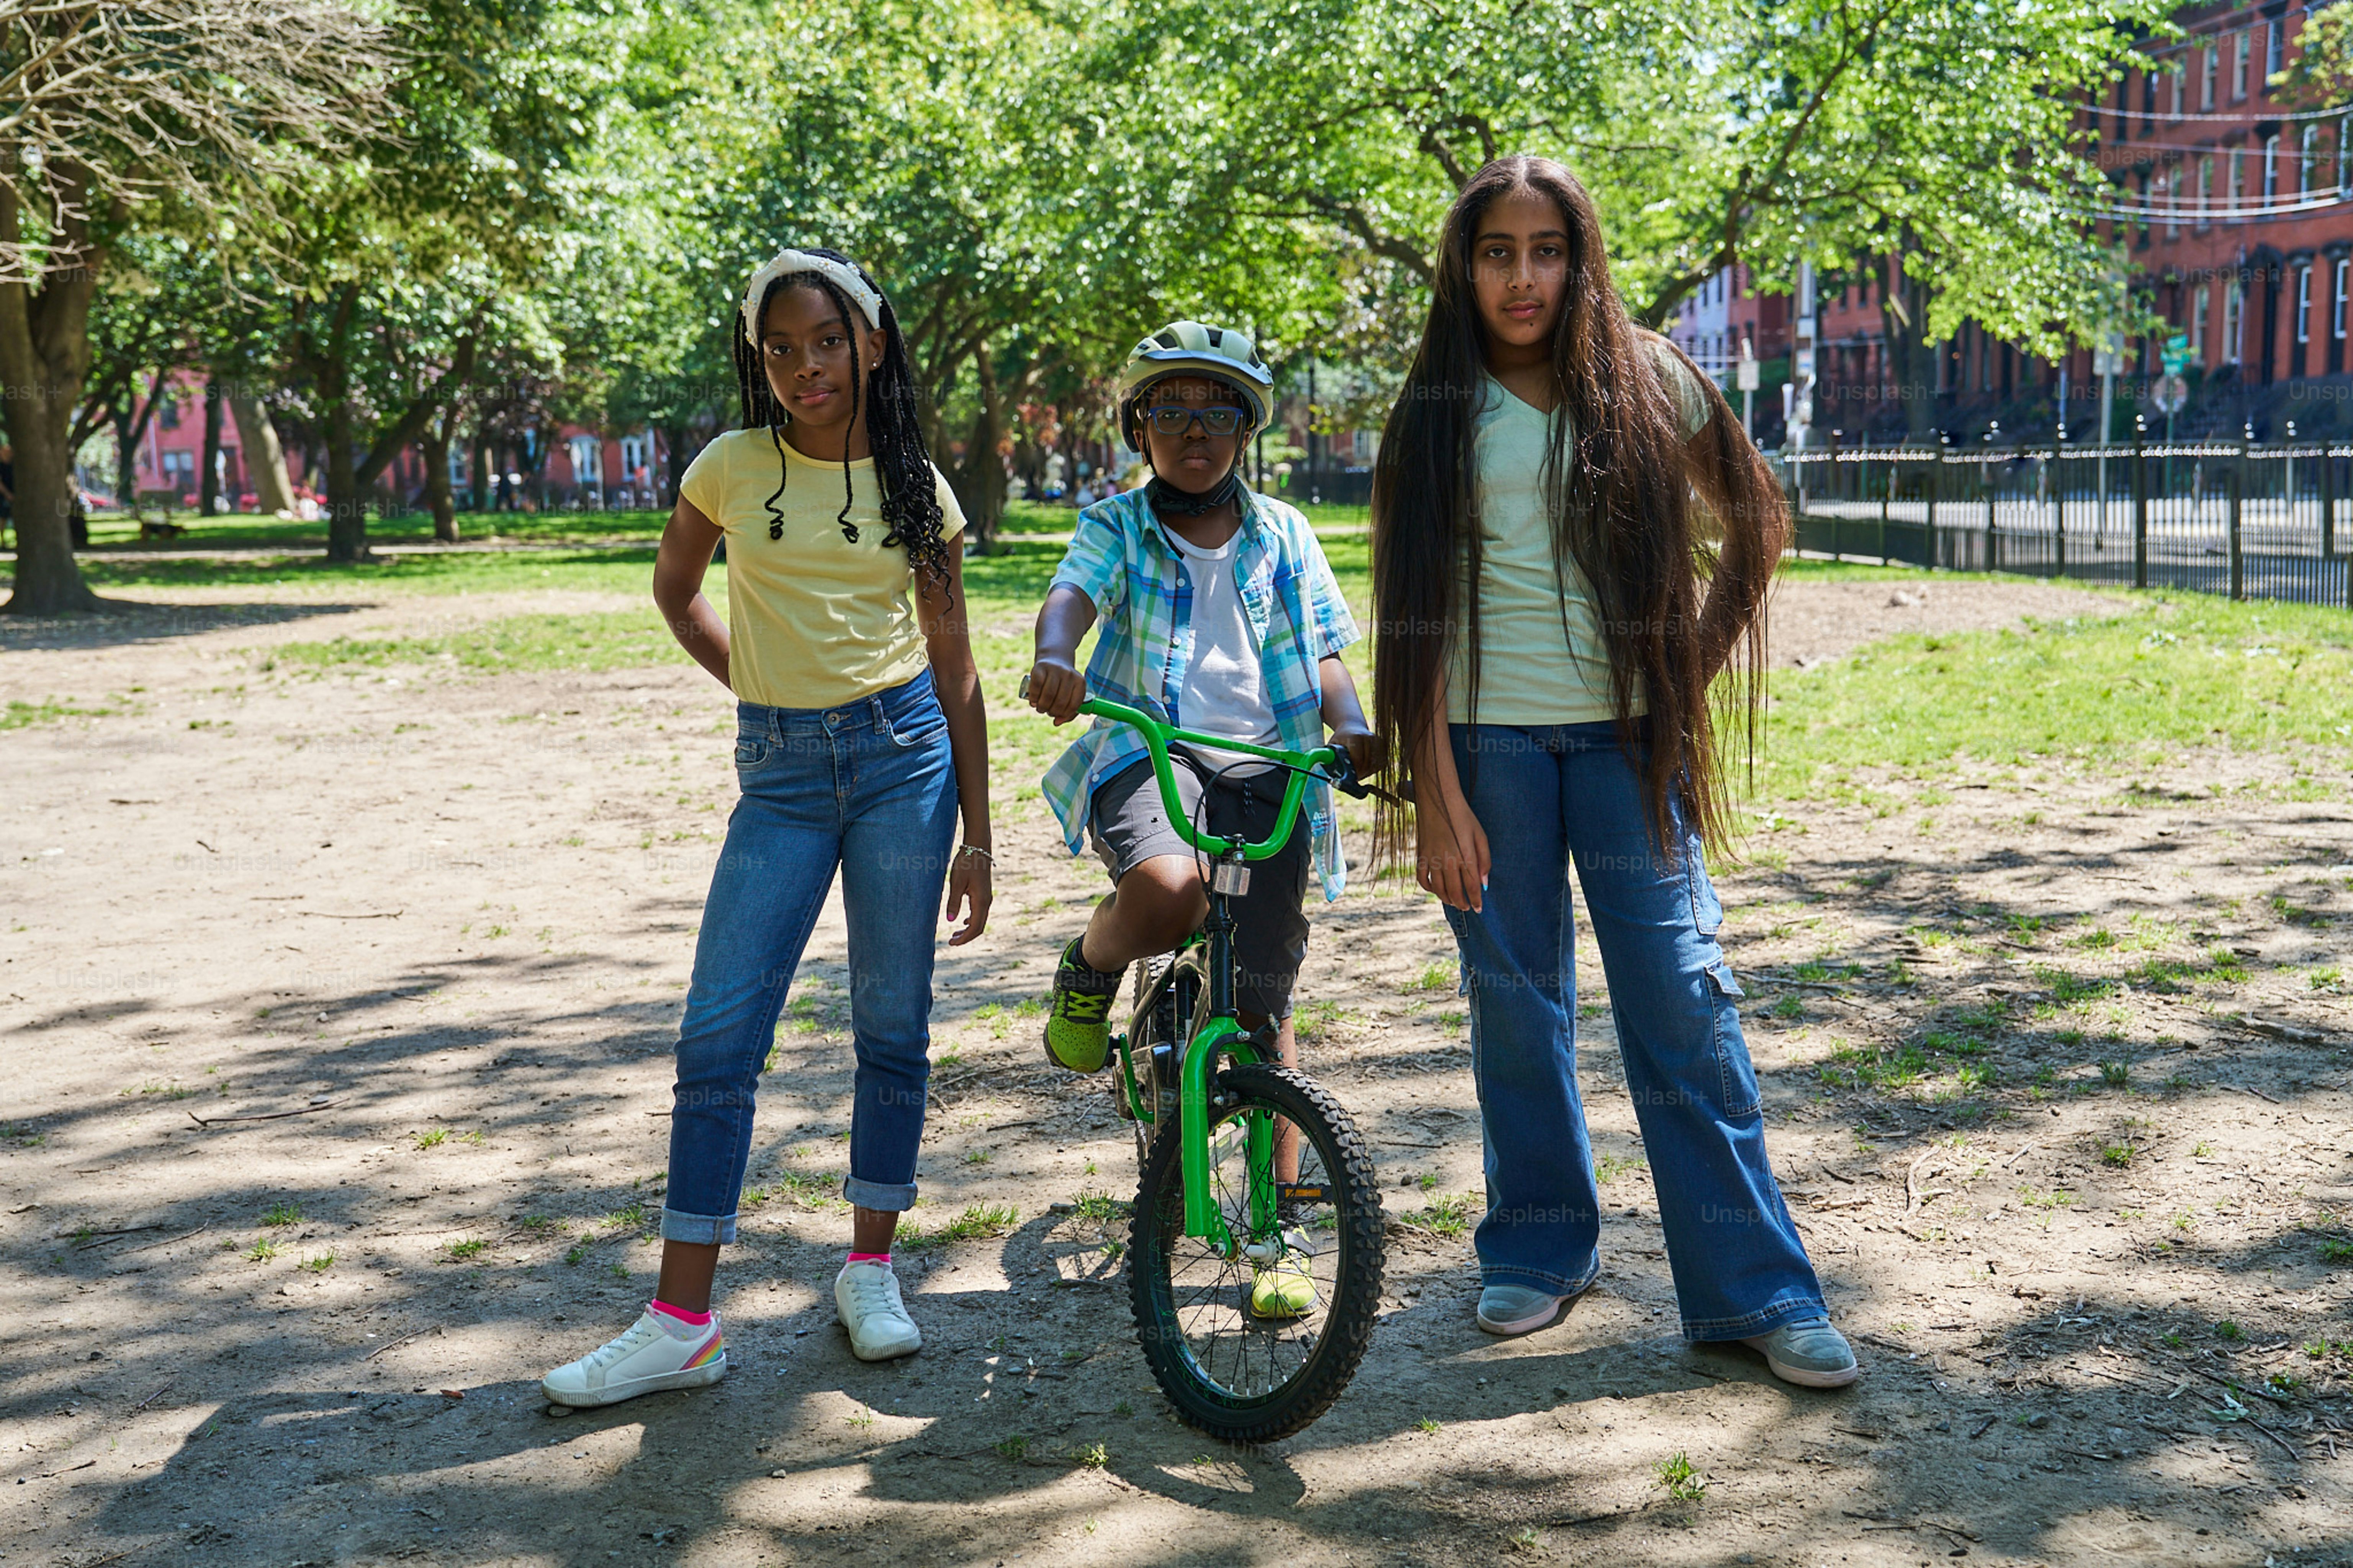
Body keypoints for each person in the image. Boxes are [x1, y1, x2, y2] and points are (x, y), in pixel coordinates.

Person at [1367, 155, 1856, 1388]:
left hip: (1629, 744)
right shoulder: (1433, 408)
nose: (1521, 277)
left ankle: (1758, 1290)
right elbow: (1409, 615)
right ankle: (1541, 1247)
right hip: (1489, 749)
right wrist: (1435, 788)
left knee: (1684, 1002)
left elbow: (1759, 520)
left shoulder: (1648, 376)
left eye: (1545, 250)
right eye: (1496, 253)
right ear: (1464, 267)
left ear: (1580, 257)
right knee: (1516, 1008)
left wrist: (1688, 669)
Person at [540, 246, 995, 1408]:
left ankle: (871, 1270)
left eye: (828, 342)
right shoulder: (731, 467)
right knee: (718, 1034)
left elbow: (957, 670)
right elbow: (672, 587)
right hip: (782, 777)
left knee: (891, 1027)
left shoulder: (915, 485)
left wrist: (978, 834)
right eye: (782, 349)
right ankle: (682, 1321)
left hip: (905, 763)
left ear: (873, 344)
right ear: (762, 359)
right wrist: (757, 687)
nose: (806, 367)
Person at [1026, 320, 1377, 1318]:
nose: (1195, 431)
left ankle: (1282, 1230)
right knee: (1171, 888)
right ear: (1140, 428)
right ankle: (1090, 970)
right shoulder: (1117, 526)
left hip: (1270, 769)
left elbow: (1325, 654)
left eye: (1217, 410)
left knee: (1264, 1010)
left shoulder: (1287, 536)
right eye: (1170, 411)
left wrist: (1351, 729)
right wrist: (1058, 656)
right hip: (1151, 751)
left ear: (1247, 428)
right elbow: (1070, 600)